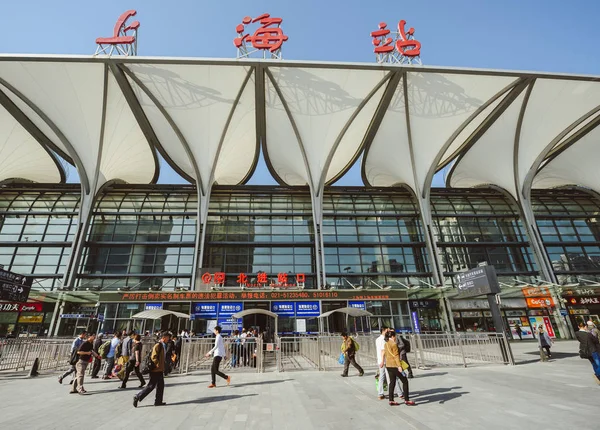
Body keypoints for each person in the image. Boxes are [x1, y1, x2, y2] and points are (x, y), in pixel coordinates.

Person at [133, 331, 170, 407]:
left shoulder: (162, 345)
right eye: (168, 337)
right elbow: (154, 357)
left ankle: (158, 401)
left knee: (160, 386)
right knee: (151, 386)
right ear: (164, 337)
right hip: (156, 370)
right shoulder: (158, 345)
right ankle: (138, 396)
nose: (168, 339)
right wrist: (158, 365)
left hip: (159, 370)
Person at [384, 331, 415, 406]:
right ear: (392, 337)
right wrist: (399, 366)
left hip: (388, 365)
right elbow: (396, 356)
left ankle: (391, 400)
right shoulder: (394, 344)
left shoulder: (386, 344)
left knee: (392, 382)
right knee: (405, 381)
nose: (395, 338)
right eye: (395, 336)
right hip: (395, 366)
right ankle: (407, 399)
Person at [375, 327, 400, 400]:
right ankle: (399, 393)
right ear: (385, 331)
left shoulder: (377, 339)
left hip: (380, 361)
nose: (389, 332)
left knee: (381, 377)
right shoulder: (384, 340)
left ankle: (380, 393)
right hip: (386, 361)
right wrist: (383, 361)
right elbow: (383, 351)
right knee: (392, 377)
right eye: (388, 331)